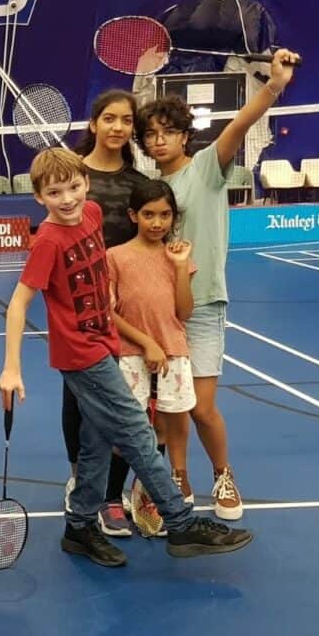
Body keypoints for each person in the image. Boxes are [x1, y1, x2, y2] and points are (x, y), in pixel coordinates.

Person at [0, 146, 252, 569]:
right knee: (136, 431)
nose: (68, 199)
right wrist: (11, 367)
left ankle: (79, 527)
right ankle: (182, 522)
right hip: (81, 354)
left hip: (106, 344)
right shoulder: (47, 241)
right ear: (39, 197)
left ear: (86, 184)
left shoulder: (93, 214)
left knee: (96, 443)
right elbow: (19, 304)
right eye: (55, 192)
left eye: (74, 187)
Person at [139, 48, 300, 520]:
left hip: (204, 304)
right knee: (172, 403)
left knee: (201, 406)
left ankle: (223, 475)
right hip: (160, 310)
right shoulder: (152, 191)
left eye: (167, 132)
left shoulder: (207, 168)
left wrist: (273, 85)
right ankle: (179, 475)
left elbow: (239, 126)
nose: (158, 140)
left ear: (185, 136)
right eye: (150, 135)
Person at [63, 90, 155, 536]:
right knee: (78, 400)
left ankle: (111, 494)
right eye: (109, 119)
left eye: (126, 120)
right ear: (94, 123)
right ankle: (82, 478)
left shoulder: (138, 181)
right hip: (80, 310)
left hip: (126, 311)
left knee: (124, 403)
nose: (118, 127)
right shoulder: (73, 176)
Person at [106, 180, 196, 537]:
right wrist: (146, 343)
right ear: (133, 215)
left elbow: (184, 312)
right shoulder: (116, 257)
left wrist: (179, 266)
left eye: (164, 215)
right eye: (148, 215)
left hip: (173, 355)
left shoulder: (179, 257)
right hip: (132, 356)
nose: (157, 222)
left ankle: (149, 500)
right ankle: (112, 499)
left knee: (159, 429)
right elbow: (109, 313)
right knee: (127, 431)